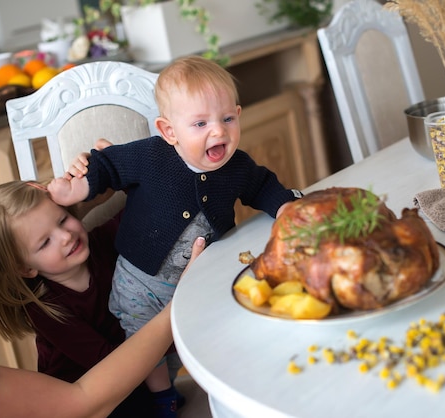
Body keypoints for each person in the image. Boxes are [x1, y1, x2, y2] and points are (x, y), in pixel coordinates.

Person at [48, 55, 302, 416]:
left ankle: (227, 384)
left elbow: (262, 186)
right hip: (139, 280)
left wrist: (284, 207)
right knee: (147, 348)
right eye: (200, 123)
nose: (219, 131)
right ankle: (163, 398)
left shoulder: (238, 166)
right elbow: (109, 165)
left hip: (202, 275)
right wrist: (79, 188)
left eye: (228, 118)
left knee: (212, 332)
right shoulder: (151, 155)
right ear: (169, 131)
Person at [0, 236, 204, 417]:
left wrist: (87, 185)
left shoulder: (94, 244)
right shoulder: (46, 310)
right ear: (26, 268)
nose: (65, 236)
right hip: (100, 394)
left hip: (119, 380)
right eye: (44, 242)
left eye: (63, 220)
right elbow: (83, 404)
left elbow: (2, 254)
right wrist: (178, 301)